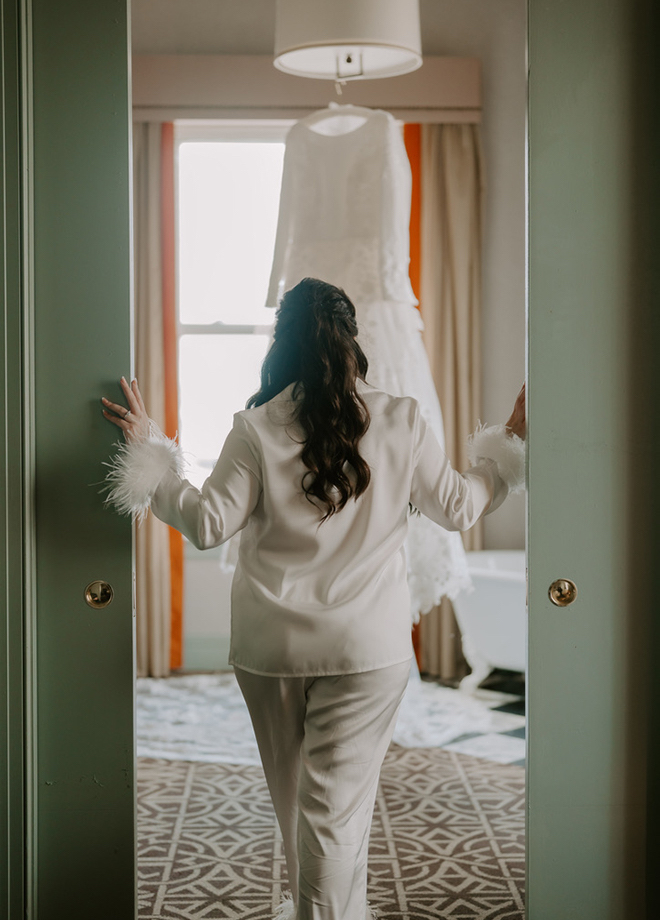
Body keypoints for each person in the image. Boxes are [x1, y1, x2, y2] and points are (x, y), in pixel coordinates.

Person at [101, 277, 526, 920]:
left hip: (272, 646)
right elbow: (462, 506)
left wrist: (154, 455)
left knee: (300, 803)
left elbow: (208, 523)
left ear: (283, 345)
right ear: (353, 341)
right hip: (368, 649)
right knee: (333, 814)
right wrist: (510, 447)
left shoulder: (255, 427)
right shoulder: (402, 418)